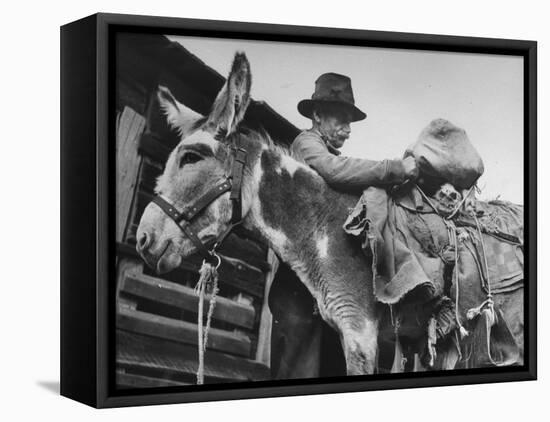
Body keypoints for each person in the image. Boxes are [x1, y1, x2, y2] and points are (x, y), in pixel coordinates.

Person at [268, 73, 418, 379]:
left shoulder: (326, 150)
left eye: (350, 122)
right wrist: (393, 168)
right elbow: (334, 171)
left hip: (325, 278)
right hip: (299, 280)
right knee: (297, 368)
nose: (348, 130)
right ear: (318, 115)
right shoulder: (306, 145)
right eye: (341, 120)